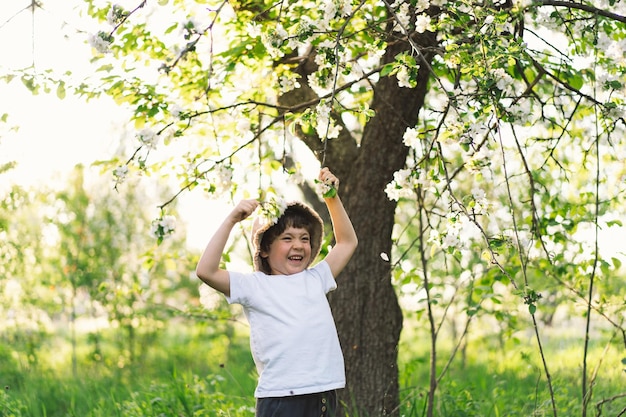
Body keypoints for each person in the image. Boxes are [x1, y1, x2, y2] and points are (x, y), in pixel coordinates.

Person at [196, 167, 358, 417]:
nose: (299, 245)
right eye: (287, 238)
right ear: (264, 249)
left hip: (324, 394)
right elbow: (206, 271)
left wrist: (331, 197)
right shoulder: (255, 286)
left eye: (305, 238)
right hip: (282, 398)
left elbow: (347, 242)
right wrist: (231, 220)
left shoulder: (315, 279)